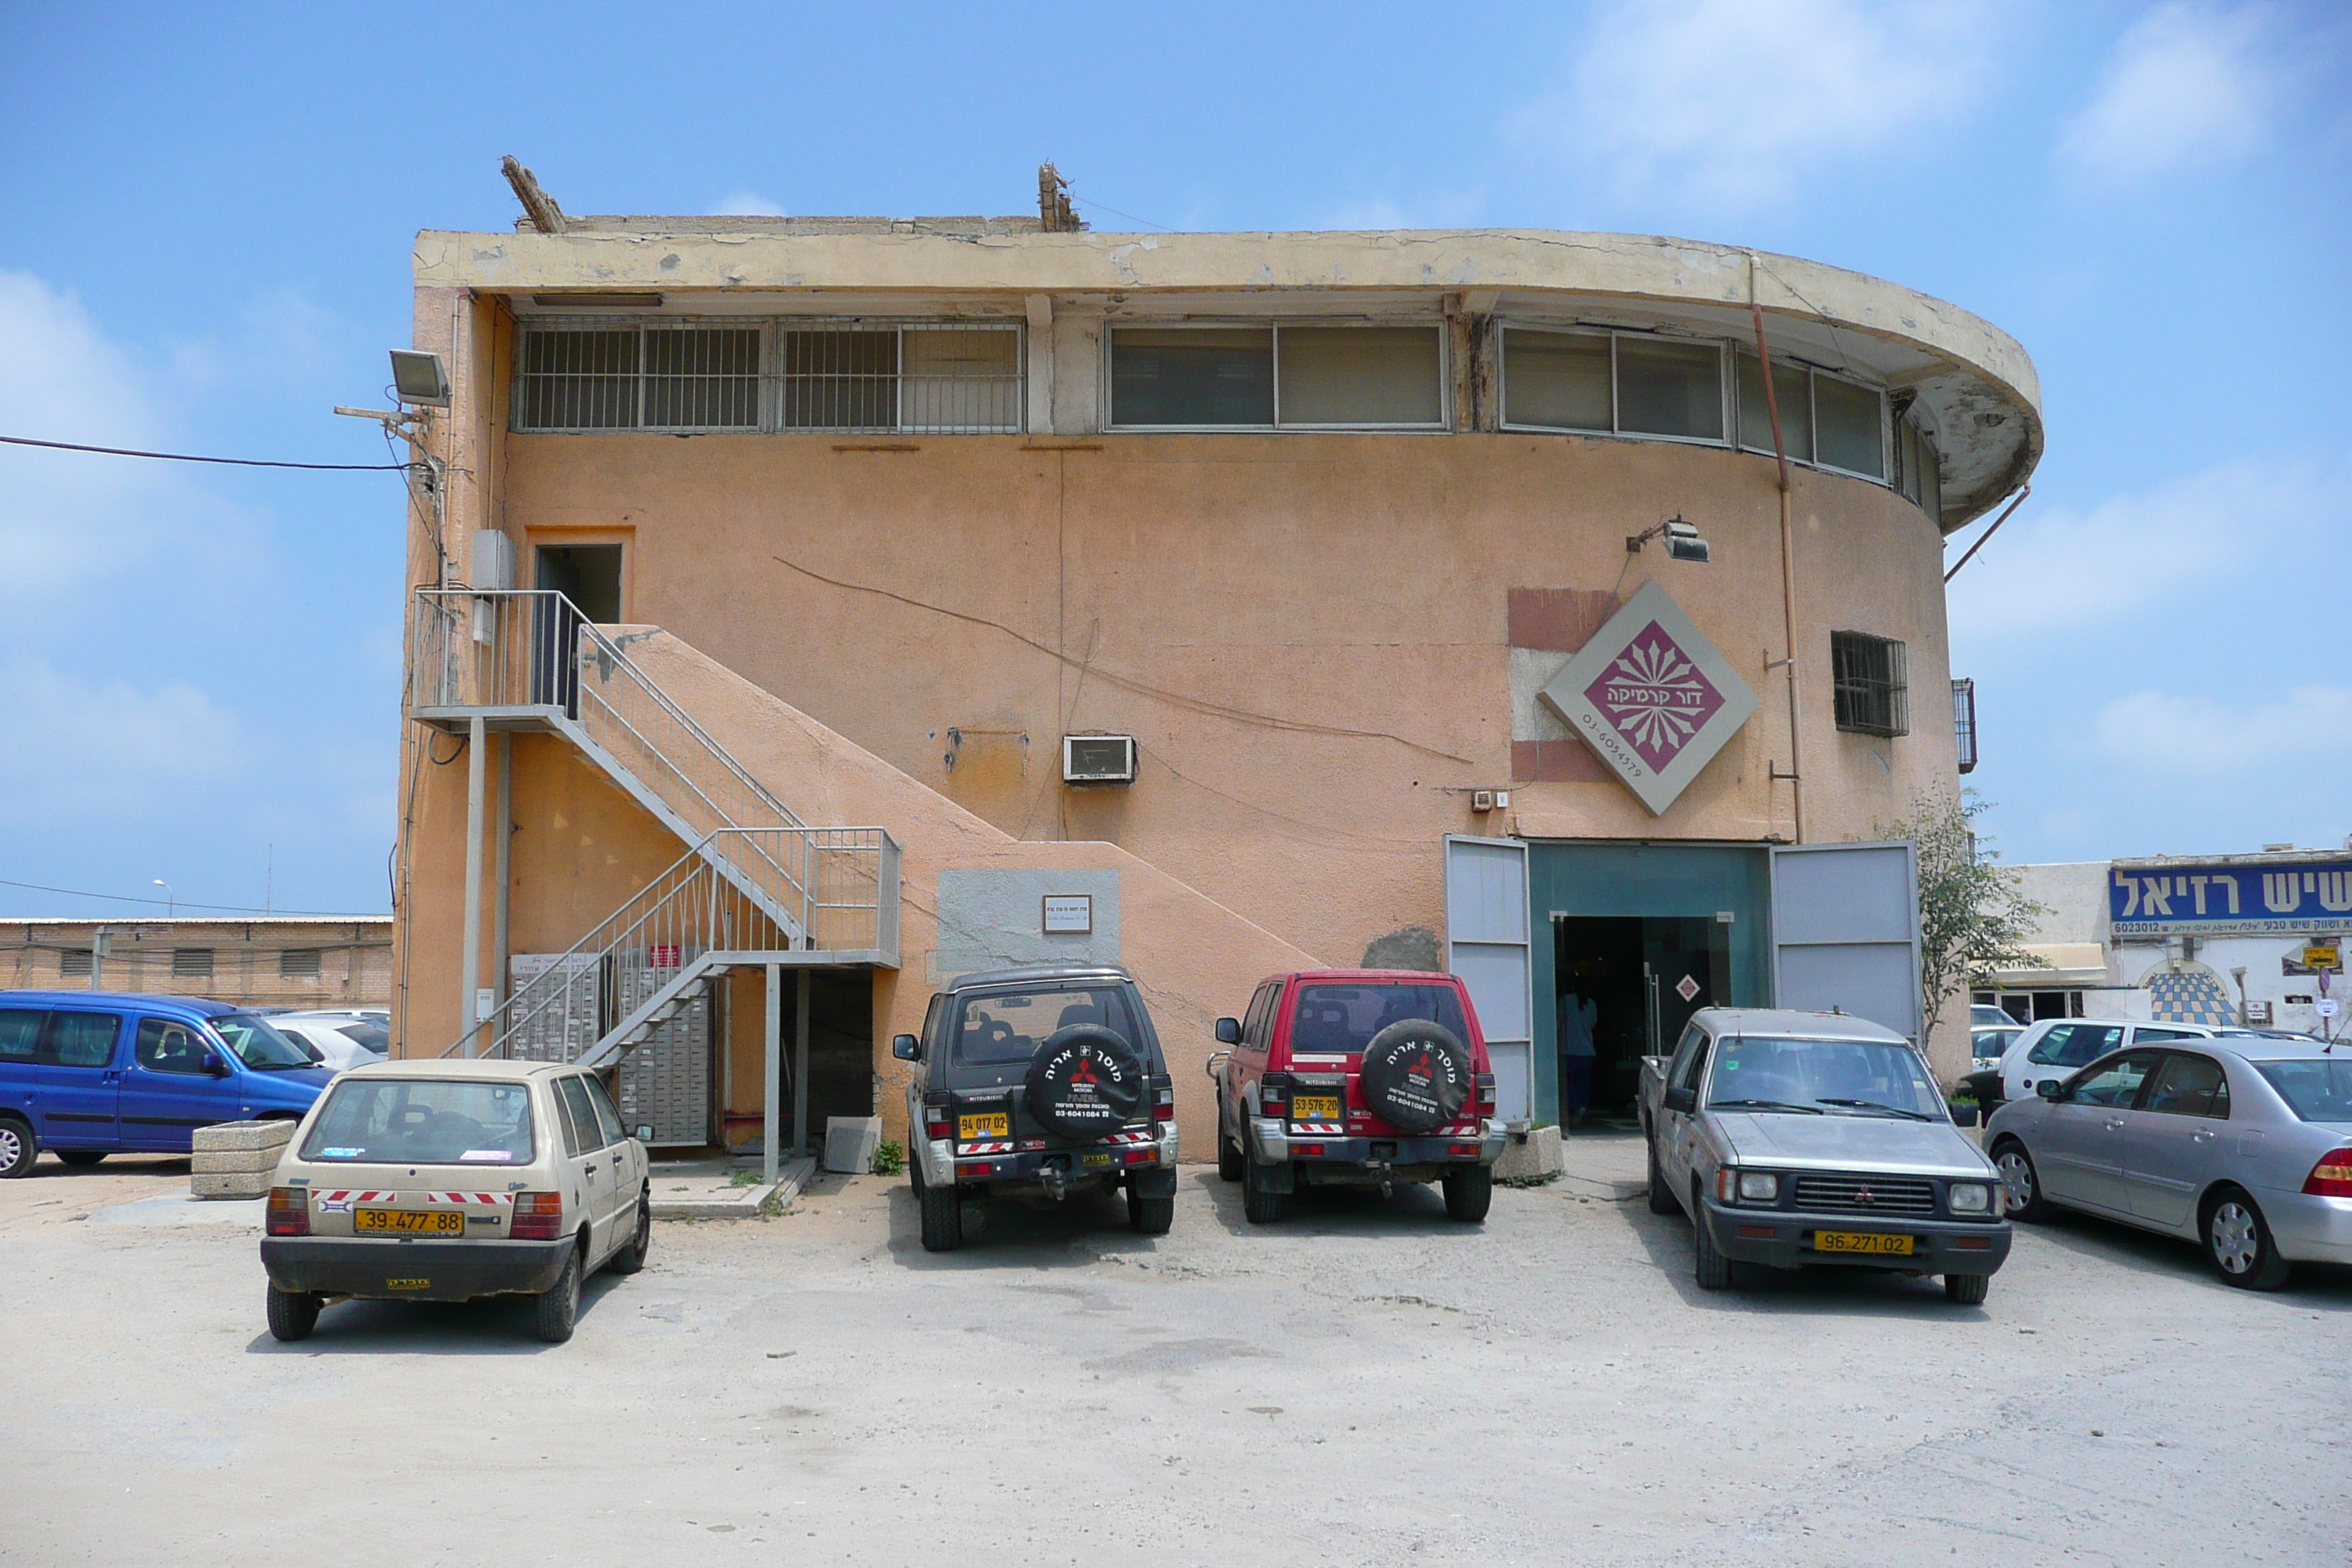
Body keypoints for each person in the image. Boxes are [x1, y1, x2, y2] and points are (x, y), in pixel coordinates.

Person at [1557, 987, 1597, 1128]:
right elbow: (1593, 1024)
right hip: (1587, 1050)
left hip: (1568, 1049)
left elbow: (1558, 1022)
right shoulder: (1591, 1003)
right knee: (1583, 1084)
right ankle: (1583, 1109)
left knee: (1566, 1083)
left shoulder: (1565, 1001)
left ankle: (1576, 1107)